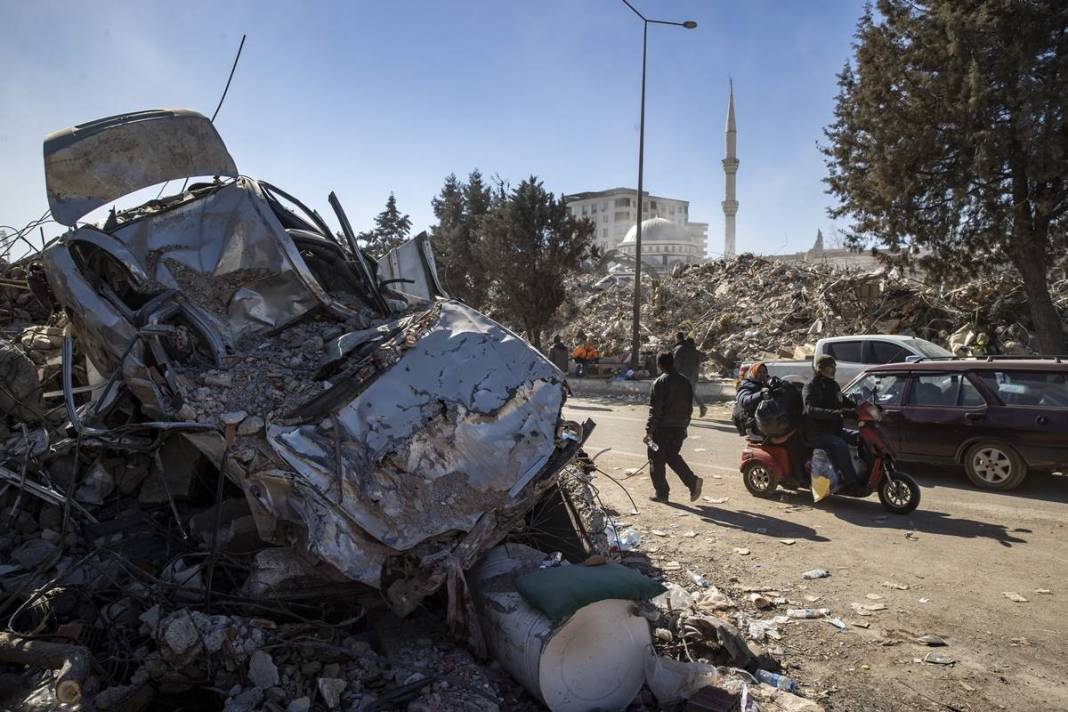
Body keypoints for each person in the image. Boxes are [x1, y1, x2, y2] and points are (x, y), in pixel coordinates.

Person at [645, 351, 704, 503]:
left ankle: (662, 493)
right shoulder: (685, 381)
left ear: (659, 365)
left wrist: (649, 432)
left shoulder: (659, 383)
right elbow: (689, 407)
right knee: (671, 457)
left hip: (662, 430)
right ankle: (692, 482)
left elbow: (655, 410)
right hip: (679, 428)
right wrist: (684, 425)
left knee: (655, 460)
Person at [803, 354, 860, 488]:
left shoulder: (833, 386)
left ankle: (863, 470)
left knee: (860, 437)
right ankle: (851, 481)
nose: (833, 371)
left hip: (835, 430)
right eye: (829, 368)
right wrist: (838, 414)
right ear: (820, 369)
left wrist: (860, 409)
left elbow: (845, 401)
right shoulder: (810, 387)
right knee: (840, 445)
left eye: (834, 368)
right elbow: (810, 410)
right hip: (817, 433)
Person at [672, 332, 708, 417]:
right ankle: (692, 409)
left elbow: (676, 363)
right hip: (694, 375)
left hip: (683, 375)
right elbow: (704, 357)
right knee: (690, 393)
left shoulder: (680, 349)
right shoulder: (694, 351)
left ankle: (684, 411)